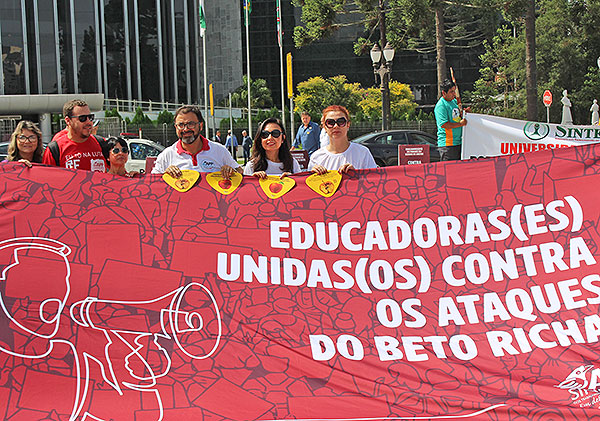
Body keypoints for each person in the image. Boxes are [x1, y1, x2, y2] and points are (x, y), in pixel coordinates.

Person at [152, 105, 241, 178]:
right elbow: (152, 184)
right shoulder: (166, 156)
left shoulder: (220, 151)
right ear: (176, 127)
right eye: (181, 125)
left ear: (200, 126)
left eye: (191, 124)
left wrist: (232, 172)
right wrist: (164, 176)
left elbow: (241, 174)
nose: (185, 129)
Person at [42, 99, 108, 171]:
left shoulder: (101, 143)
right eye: (82, 118)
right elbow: (47, 175)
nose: (89, 122)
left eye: (90, 117)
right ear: (68, 121)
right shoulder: (55, 149)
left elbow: (115, 172)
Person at [309, 105, 376, 174]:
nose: (336, 126)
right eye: (330, 122)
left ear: (348, 124)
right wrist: (312, 175)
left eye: (341, 122)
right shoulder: (316, 157)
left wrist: (356, 175)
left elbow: (373, 178)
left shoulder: (363, 153)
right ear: (324, 127)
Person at [434, 79, 469, 161]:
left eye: (454, 91)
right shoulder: (441, 106)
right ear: (444, 93)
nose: (454, 94)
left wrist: (465, 113)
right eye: (451, 92)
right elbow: (444, 124)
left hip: (459, 143)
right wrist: (460, 124)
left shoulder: (454, 102)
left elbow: (458, 117)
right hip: (448, 145)